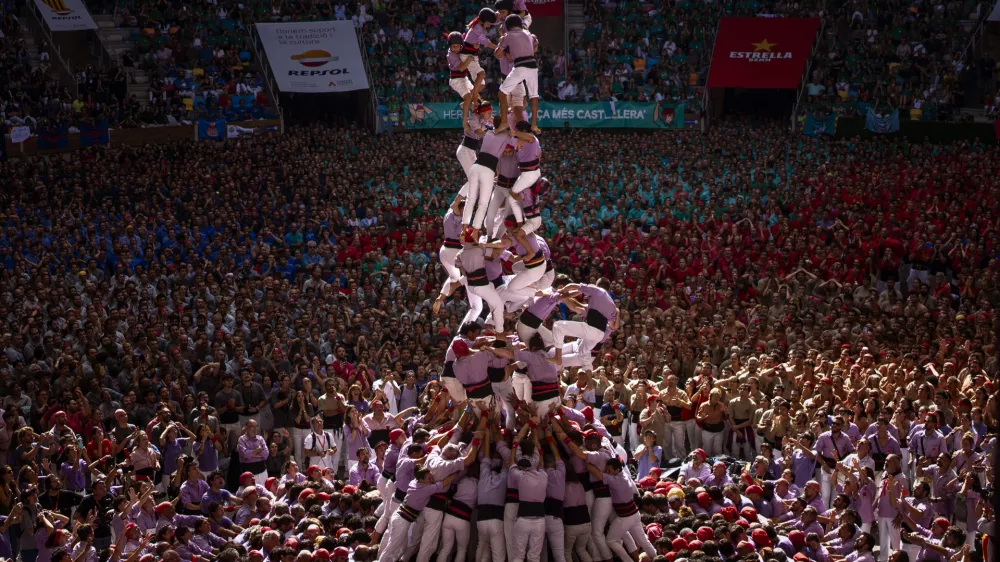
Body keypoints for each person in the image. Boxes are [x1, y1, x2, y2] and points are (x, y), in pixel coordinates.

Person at [237, 420, 269, 486]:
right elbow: (245, 454)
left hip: (262, 471)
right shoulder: (242, 439)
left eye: (256, 426)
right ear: (247, 427)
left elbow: (266, 454)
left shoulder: (260, 438)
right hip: (249, 473)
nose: (255, 429)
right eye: (252, 426)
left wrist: (252, 454)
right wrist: (258, 450)